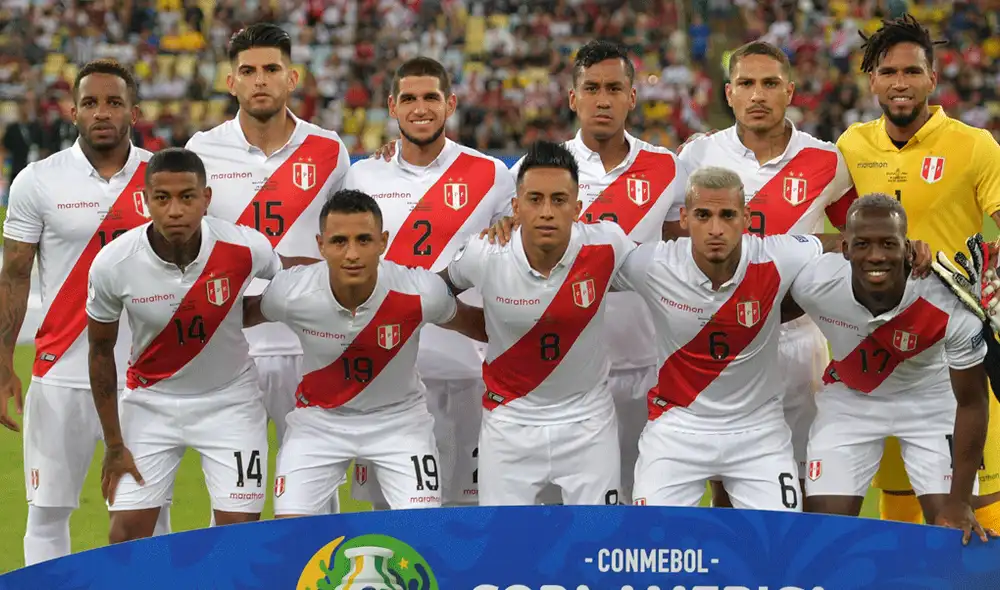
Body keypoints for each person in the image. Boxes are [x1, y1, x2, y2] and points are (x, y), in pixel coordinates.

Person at [484, 39, 688, 505]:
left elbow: (681, 245)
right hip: (559, 379)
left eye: (614, 88)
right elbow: (502, 248)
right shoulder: (539, 171)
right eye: (591, 87)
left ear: (632, 97)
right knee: (554, 515)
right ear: (573, 97)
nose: (603, 99)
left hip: (645, 364)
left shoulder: (666, 166)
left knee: (635, 506)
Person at [0, 59, 171, 566]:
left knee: (151, 518)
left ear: (134, 112)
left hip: (146, 380)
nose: (102, 112)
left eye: (113, 102)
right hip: (61, 374)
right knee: (48, 514)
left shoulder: (166, 176)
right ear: (72, 111)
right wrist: (4, 359)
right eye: (91, 102)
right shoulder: (38, 181)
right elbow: (14, 275)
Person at [671, 40, 857, 507]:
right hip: (721, 341)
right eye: (747, 84)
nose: (758, 95)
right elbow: (667, 239)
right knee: (727, 483)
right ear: (729, 93)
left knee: (801, 484)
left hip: (797, 338)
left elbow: (857, 236)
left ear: (790, 91)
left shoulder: (827, 161)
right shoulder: (696, 157)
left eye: (770, 84)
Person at [836, 13, 1000, 529]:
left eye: (912, 71)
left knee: (981, 498)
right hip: (879, 346)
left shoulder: (975, 146)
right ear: (873, 81)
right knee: (899, 498)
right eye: (888, 72)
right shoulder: (849, 148)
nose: (900, 83)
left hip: (959, 348)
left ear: (933, 78)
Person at [613, 165, 858, 510]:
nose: (716, 229)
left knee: (778, 543)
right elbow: (580, 260)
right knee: (656, 543)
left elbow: (835, 242)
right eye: (703, 215)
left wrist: (903, 250)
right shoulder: (653, 263)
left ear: (746, 218)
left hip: (758, 432)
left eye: (727, 215)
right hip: (677, 429)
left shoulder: (776, 255)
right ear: (684, 218)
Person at [85, 148, 297, 543]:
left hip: (230, 403)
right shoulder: (113, 264)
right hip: (150, 406)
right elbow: (99, 352)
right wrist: (114, 443)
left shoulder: (245, 247)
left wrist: (247, 310)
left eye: (187, 197)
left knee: (239, 532)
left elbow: (290, 280)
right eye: (162, 198)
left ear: (206, 199)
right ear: (145, 200)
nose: (175, 210)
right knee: (126, 535)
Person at [185, 23, 350, 517]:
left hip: (313, 346)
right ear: (230, 81)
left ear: (292, 77)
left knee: (313, 503)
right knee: (235, 505)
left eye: (271, 69)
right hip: (232, 351)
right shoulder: (202, 149)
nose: (260, 80)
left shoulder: (329, 150)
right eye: (248, 71)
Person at [244, 189, 486, 514]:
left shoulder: (421, 292)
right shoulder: (291, 291)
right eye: (339, 241)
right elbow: (234, 318)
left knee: (422, 528)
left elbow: (482, 326)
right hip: (319, 421)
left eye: (364, 240)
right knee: (291, 529)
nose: (352, 254)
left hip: (399, 422)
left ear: (383, 241)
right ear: (321, 245)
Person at [344, 56, 515, 508]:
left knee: (470, 508)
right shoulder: (363, 175)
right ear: (392, 107)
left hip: (469, 367)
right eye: (410, 99)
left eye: (431, 98)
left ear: (451, 103)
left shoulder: (492, 175)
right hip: (387, 371)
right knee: (390, 514)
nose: (421, 108)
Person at [789, 193, 991, 544]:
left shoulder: (948, 301)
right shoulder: (813, 284)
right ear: (845, 247)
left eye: (889, 243)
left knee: (952, 531)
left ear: (908, 247)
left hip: (930, 401)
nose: (877, 256)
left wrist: (960, 502)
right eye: (863, 244)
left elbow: (973, 402)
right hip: (850, 401)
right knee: (822, 533)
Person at [444, 141, 635, 505]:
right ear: (515, 207)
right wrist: (477, 323)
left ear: (578, 208)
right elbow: (435, 294)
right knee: (506, 544)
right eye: (535, 199)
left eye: (559, 200)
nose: (547, 211)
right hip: (509, 422)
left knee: (597, 543)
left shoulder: (607, 246)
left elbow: (668, 279)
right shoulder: (485, 252)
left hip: (588, 423)